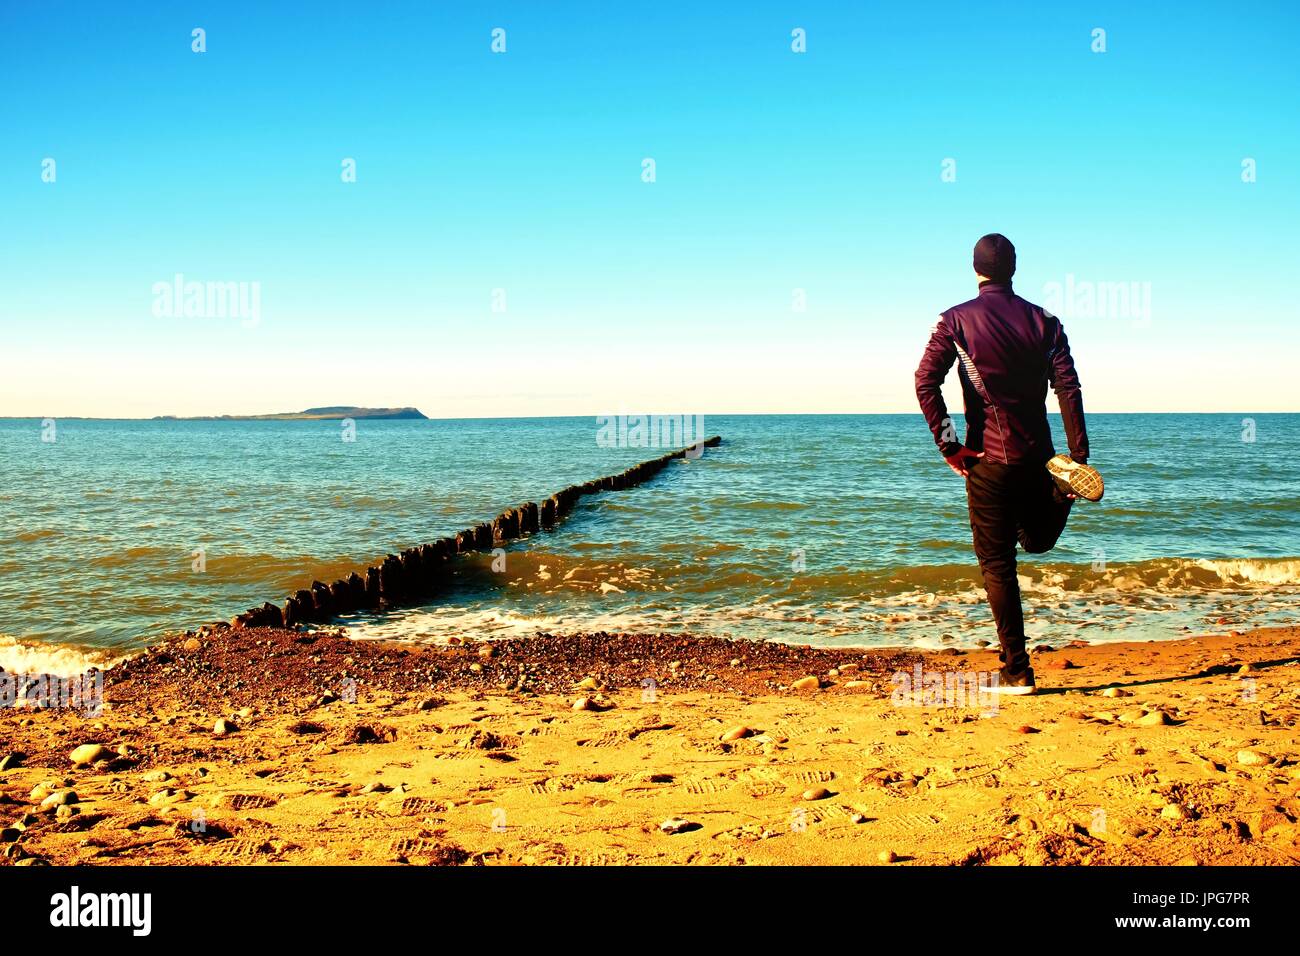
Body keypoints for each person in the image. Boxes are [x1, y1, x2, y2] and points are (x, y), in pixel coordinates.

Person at [914, 234, 1105, 695]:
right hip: (1040, 458)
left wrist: (950, 446)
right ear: (1013, 269)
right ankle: (1063, 491)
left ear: (975, 269)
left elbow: (925, 381)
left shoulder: (954, 320)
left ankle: (1017, 671)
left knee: (998, 565)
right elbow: (1069, 388)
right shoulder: (1046, 321)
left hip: (987, 461)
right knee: (1035, 542)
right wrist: (1077, 455)